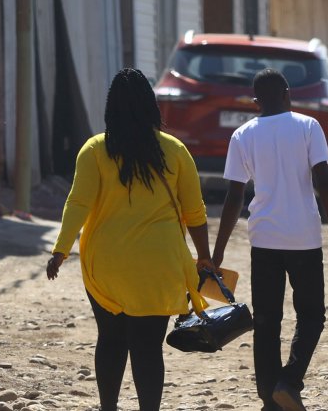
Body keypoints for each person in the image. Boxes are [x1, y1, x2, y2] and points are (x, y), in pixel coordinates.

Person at [46, 68, 214, 411]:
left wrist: (60, 251)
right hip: (159, 264)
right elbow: (195, 212)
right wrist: (204, 258)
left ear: (111, 108)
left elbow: (77, 203)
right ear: (151, 106)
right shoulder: (176, 150)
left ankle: (108, 407)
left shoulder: (94, 150)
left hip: (107, 265)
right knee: (148, 347)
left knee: (110, 339)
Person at [211, 69, 328, 411]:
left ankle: (270, 397)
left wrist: (217, 253)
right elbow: (325, 184)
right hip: (303, 237)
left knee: (267, 321)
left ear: (255, 101)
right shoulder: (308, 127)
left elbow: (234, 198)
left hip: (265, 238)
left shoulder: (243, 135)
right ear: (288, 94)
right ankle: (289, 382)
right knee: (312, 316)